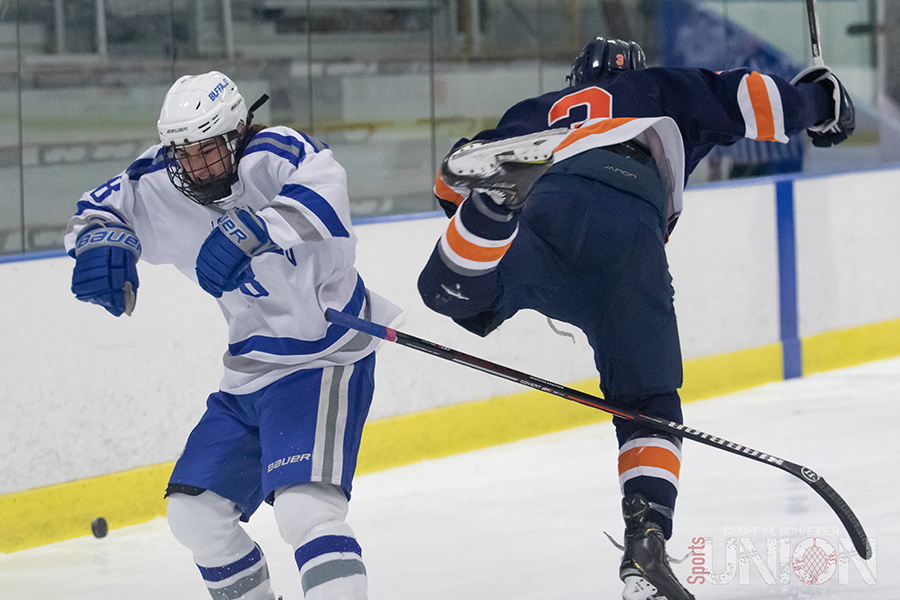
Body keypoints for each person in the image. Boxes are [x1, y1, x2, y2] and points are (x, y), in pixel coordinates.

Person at [418, 38, 854, 600]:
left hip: (549, 209)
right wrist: (823, 102)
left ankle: (492, 211)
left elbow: (449, 182)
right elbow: (755, 100)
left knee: (452, 292)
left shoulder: (534, 111)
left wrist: (479, 200)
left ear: (577, 80)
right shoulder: (665, 90)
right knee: (649, 402)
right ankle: (646, 540)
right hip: (630, 238)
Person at [65, 71, 400, 600]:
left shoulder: (276, 154)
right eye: (184, 153)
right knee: (194, 516)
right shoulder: (160, 178)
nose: (195, 166)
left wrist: (258, 227)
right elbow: (97, 207)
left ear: (238, 132)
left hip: (323, 356)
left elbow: (325, 187)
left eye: (208, 149)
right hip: (247, 370)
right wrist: (99, 240)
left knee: (305, 510)